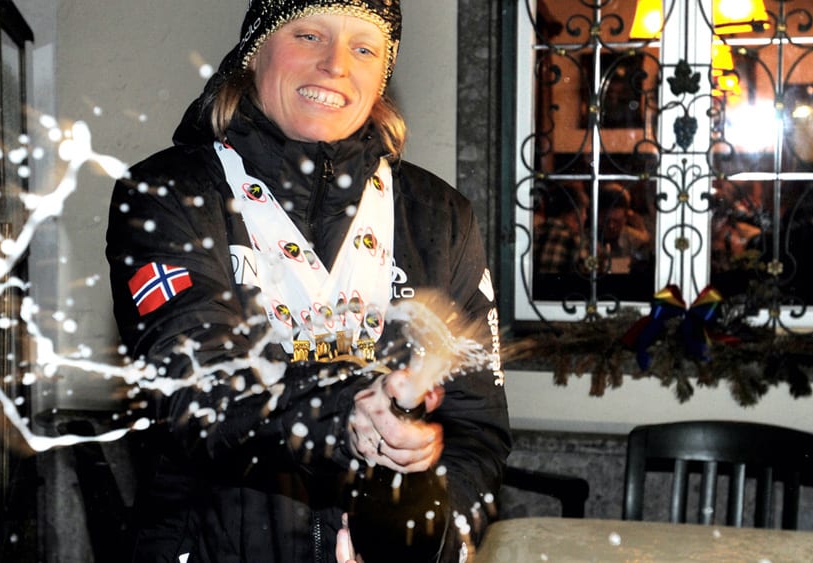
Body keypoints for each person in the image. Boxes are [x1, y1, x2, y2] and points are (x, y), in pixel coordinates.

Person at [105, 1, 511, 562]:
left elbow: (475, 431)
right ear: (254, 52)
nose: (335, 64)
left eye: (364, 48)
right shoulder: (168, 195)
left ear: (381, 76)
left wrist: (425, 542)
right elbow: (193, 387)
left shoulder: (441, 217)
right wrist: (346, 414)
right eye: (309, 35)